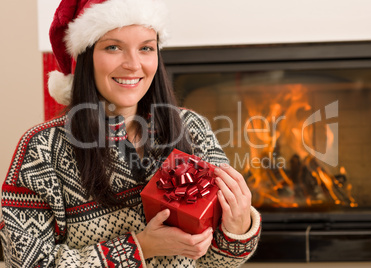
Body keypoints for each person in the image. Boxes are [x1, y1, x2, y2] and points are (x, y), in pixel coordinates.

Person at [0, 0, 261, 267]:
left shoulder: (192, 128)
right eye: (113, 47)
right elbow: (25, 263)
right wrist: (140, 248)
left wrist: (238, 227)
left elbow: (216, 262)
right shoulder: (42, 148)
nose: (134, 64)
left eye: (146, 48)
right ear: (85, 56)